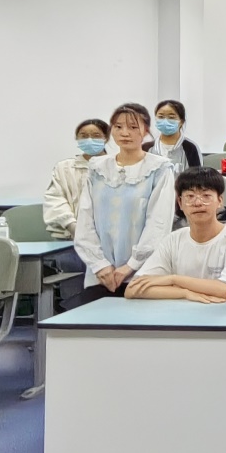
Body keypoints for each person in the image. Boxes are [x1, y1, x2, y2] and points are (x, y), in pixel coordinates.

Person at [73, 103, 177, 304]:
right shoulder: (97, 168)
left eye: (133, 127)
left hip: (142, 271)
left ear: (146, 130)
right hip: (101, 273)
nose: (125, 133)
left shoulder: (159, 168)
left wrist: (131, 265)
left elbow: (159, 223)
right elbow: (85, 220)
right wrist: (100, 264)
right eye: (118, 127)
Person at [125, 167, 226, 302]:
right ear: (180, 203)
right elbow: (132, 289)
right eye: (190, 196)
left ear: (220, 201)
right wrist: (184, 293)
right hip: (181, 311)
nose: (198, 203)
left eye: (206, 196)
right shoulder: (173, 240)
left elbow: (224, 290)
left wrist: (173, 279)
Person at [45, 117, 109, 242]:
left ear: (106, 138)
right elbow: (55, 199)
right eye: (84, 136)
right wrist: (71, 226)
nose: (89, 140)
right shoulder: (64, 168)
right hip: (69, 238)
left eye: (96, 135)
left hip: (110, 239)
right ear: (77, 139)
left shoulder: (118, 167)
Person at [145, 99, 200, 173]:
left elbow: (198, 177)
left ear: (181, 121)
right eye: (161, 117)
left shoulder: (190, 148)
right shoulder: (147, 148)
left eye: (171, 117)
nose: (165, 121)